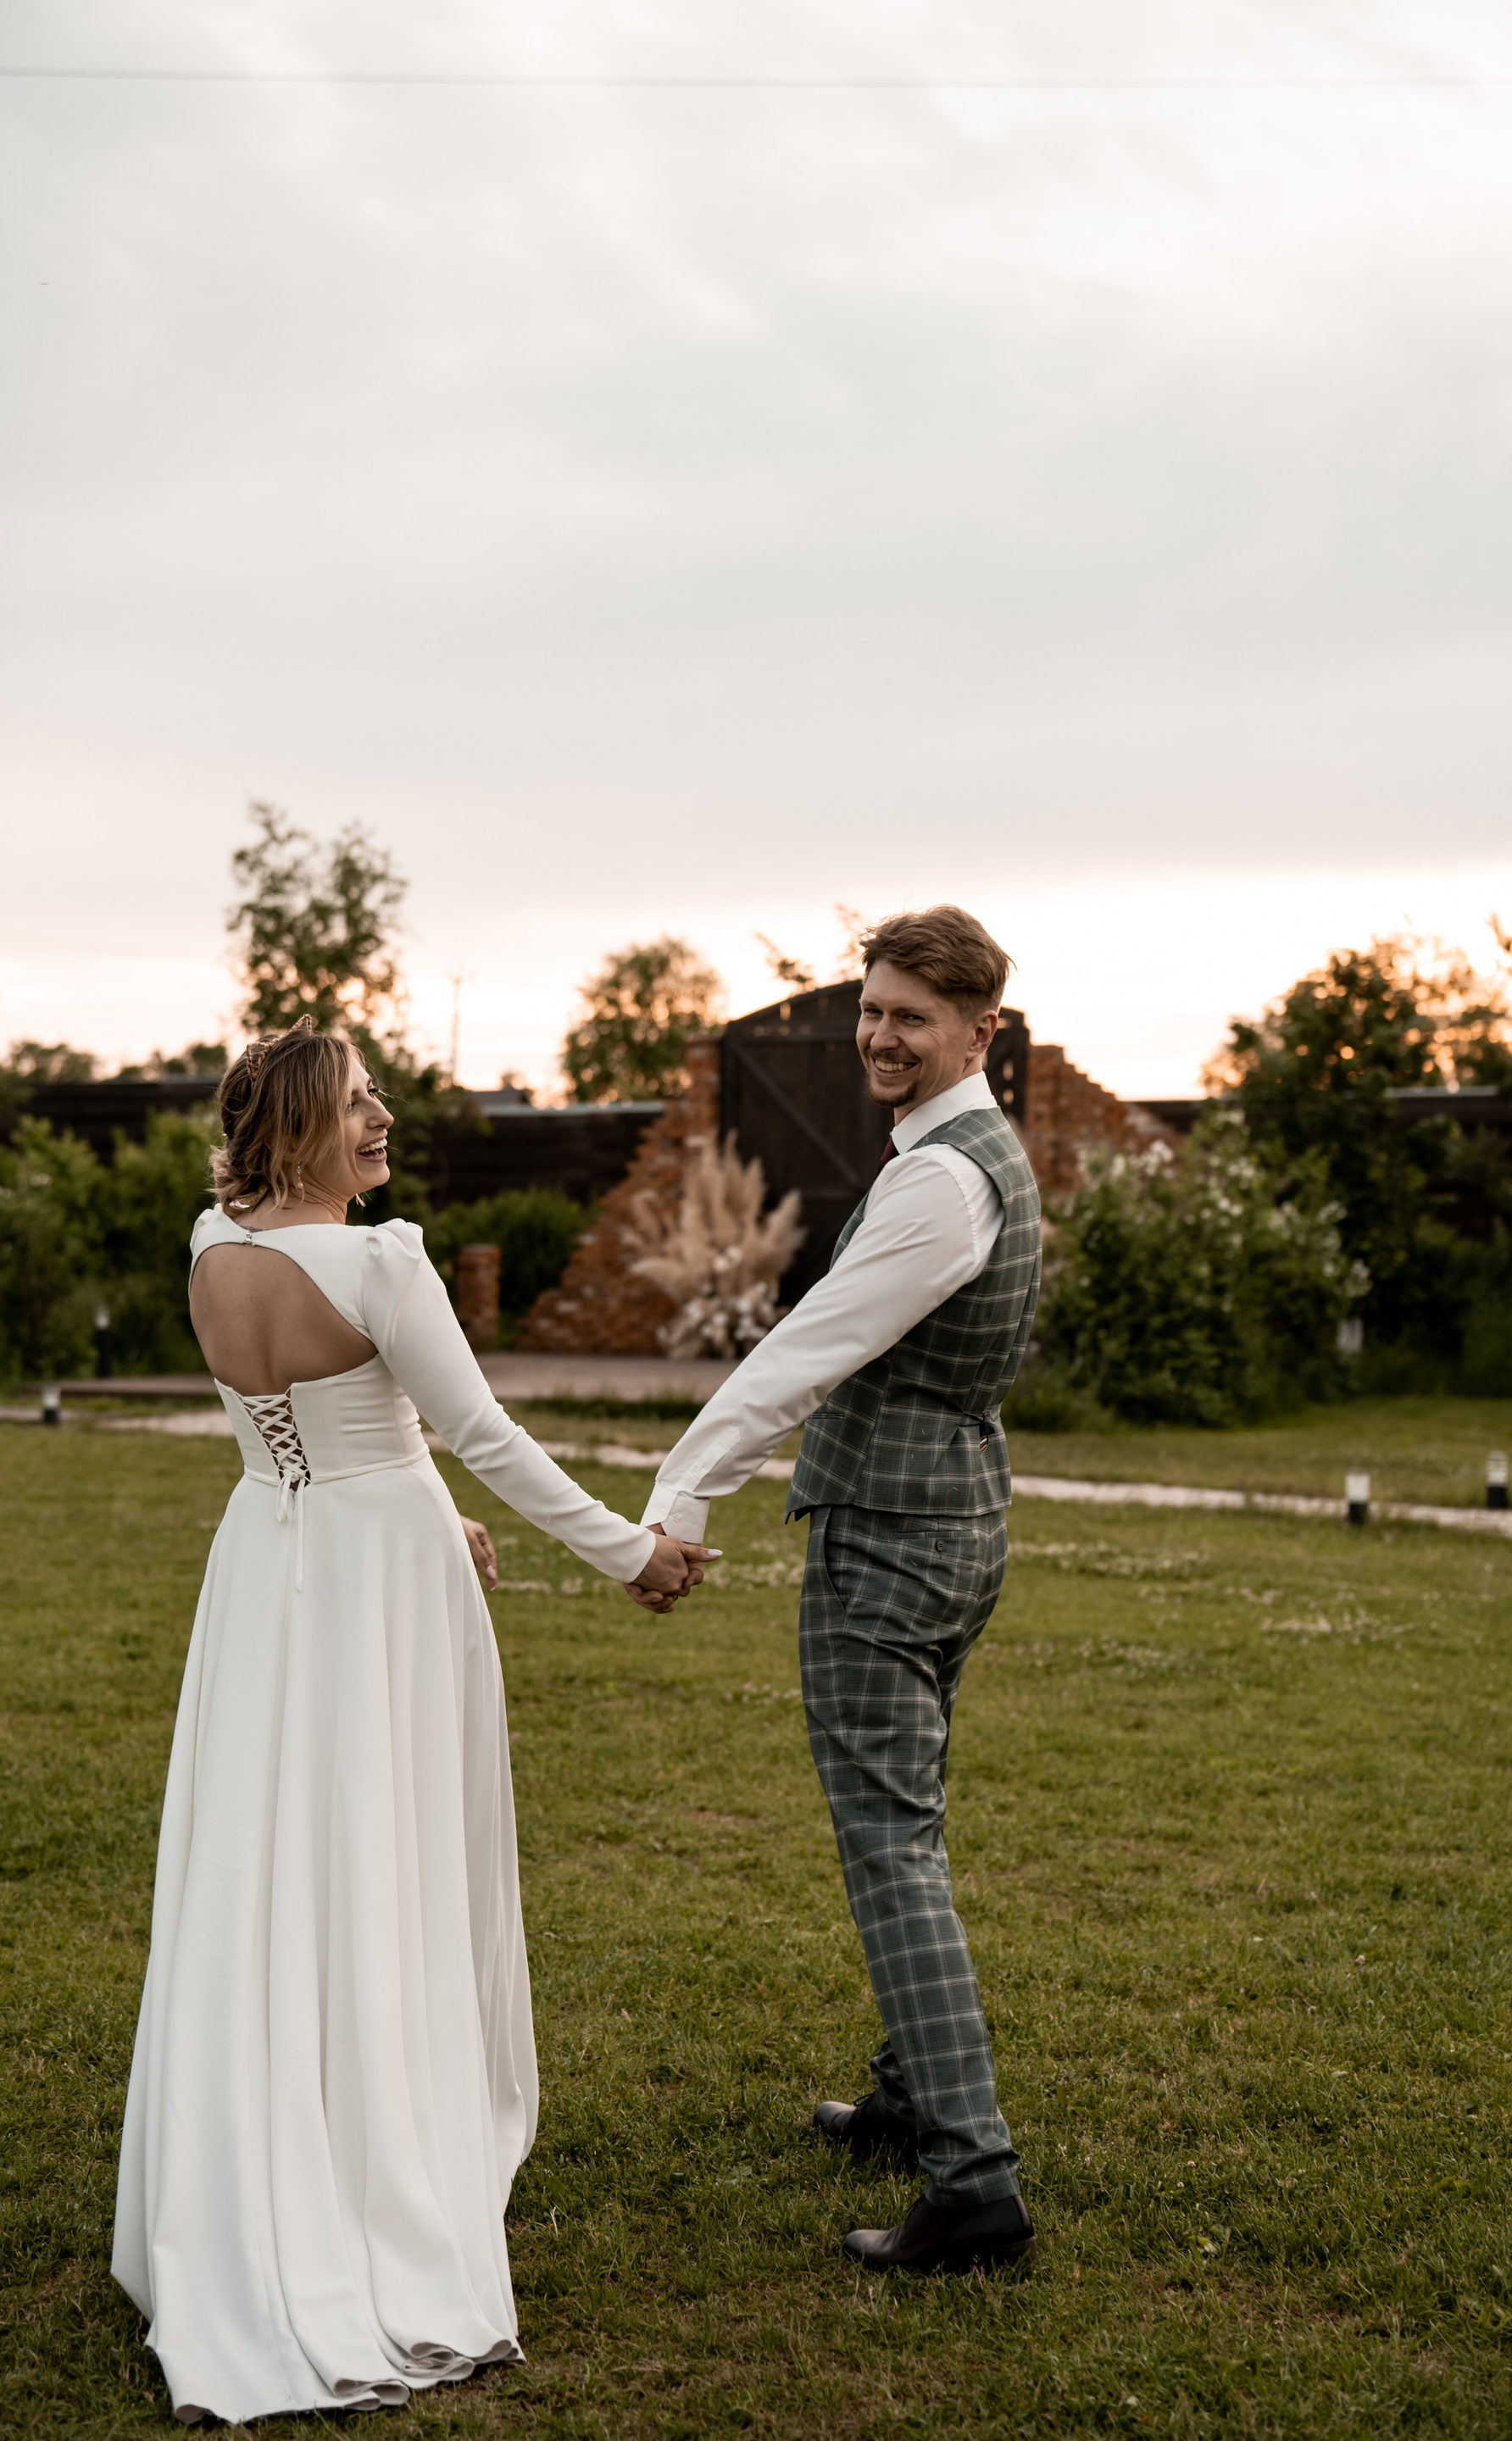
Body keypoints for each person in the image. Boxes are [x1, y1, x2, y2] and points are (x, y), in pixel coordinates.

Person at [113, 1020, 711, 2425]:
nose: (383, 1118)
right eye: (357, 1102)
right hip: (377, 1586)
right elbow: (485, 1434)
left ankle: (262, 2158)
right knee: (381, 1855)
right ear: (296, 1127)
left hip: (269, 1566)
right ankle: (375, 2171)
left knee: (270, 1863)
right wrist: (628, 1550)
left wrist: (430, 1505)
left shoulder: (211, 1250)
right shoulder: (382, 1264)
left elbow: (316, 1434)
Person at [632, 907, 1042, 2277]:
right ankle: (912, 2094)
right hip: (950, 1523)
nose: (880, 1035)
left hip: (893, 1543)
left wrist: (684, 1489)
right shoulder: (965, 1151)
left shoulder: (940, 1184)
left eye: (912, 1017)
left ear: (980, 1031)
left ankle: (974, 2187)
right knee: (905, 1824)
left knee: (888, 1846)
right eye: (872, 1009)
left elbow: (806, 1350)